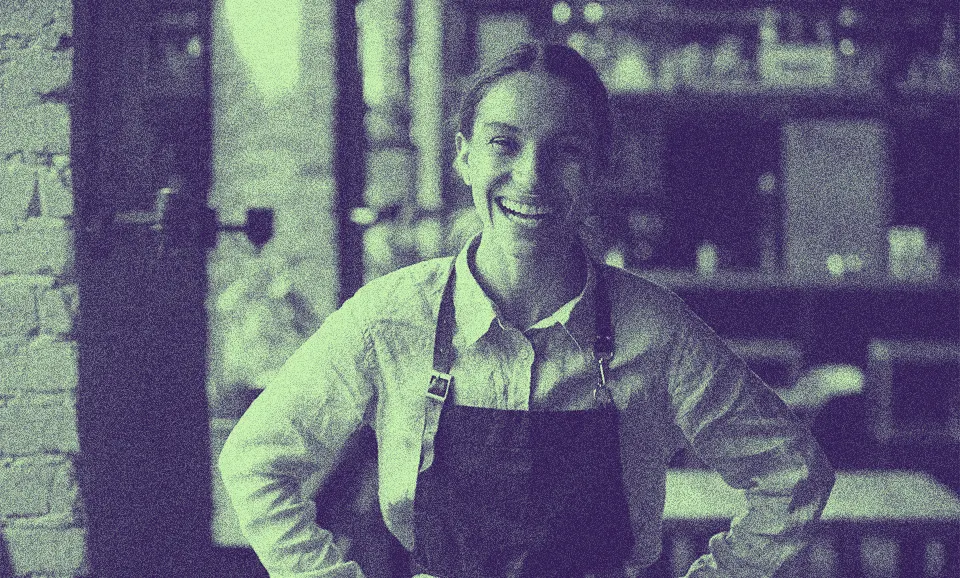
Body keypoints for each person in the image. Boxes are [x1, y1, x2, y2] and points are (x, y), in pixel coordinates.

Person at [218, 42, 835, 578]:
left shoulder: (656, 331)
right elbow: (255, 462)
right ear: (464, 157)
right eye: (503, 144)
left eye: (565, 151)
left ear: (600, 168)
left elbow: (793, 475)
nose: (532, 176)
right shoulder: (389, 319)